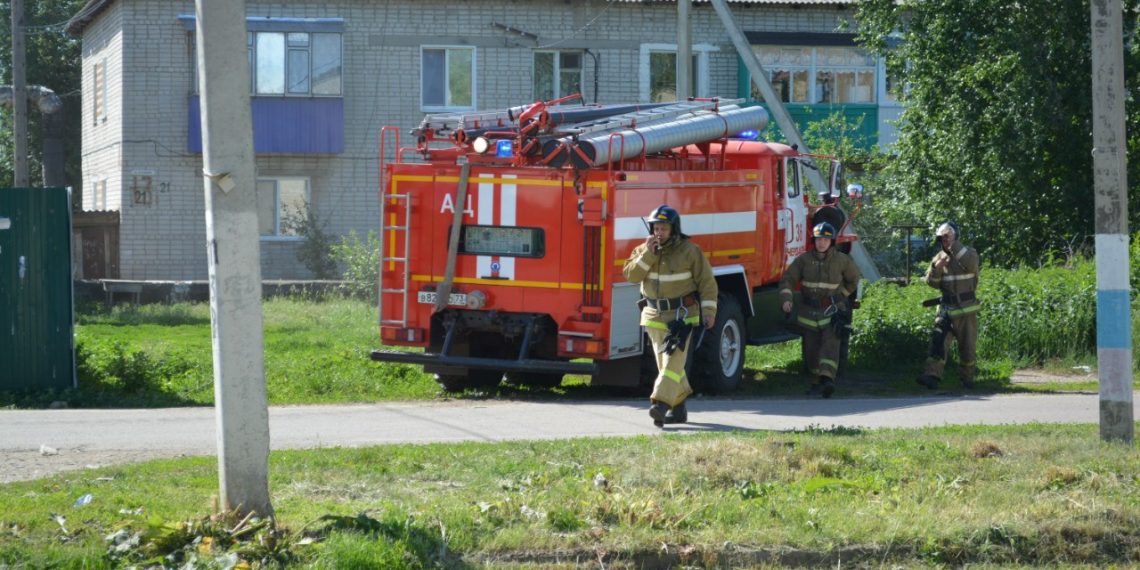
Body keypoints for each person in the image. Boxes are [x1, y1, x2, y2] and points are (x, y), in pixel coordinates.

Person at [623, 205, 718, 427]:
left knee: (672, 362)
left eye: (664, 228)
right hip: (653, 315)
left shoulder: (690, 251)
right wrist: (648, 254)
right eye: (656, 227)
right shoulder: (643, 250)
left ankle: (660, 404)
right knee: (666, 364)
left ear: (674, 229)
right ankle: (679, 409)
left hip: (682, 316)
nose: (659, 232)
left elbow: (707, 284)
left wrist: (709, 312)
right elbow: (631, 276)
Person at [778, 222, 860, 398]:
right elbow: (787, 280)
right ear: (813, 240)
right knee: (812, 351)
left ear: (831, 241)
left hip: (832, 311)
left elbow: (854, 280)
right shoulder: (803, 260)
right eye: (818, 239)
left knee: (830, 346)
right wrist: (786, 299)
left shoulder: (842, 260)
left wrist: (841, 296)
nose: (821, 243)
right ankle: (817, 382)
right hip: (808, 313)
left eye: (825, 239)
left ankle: (828, 379)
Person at [917, 222, 980, 389]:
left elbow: (971, 265)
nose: (944, 240)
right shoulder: (938, 258)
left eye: (947, 236)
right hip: (946, 311)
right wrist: (936, 269)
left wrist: (954, 246)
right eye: (942, 237)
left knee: (967, 347)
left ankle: (967, 378)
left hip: (966, 311)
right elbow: (933, 283)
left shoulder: (969, 254)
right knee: (938, 343)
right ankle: (932, 376)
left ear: (955, 236)